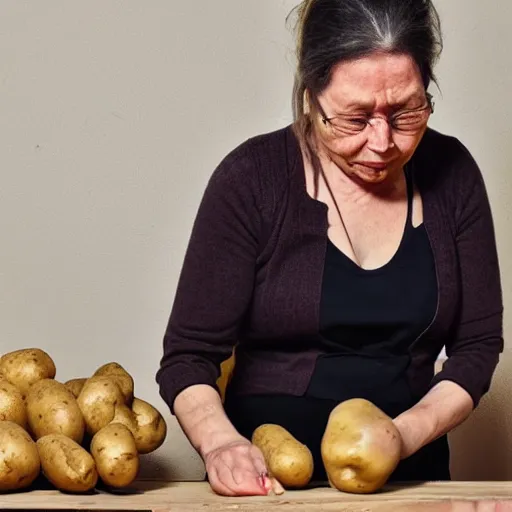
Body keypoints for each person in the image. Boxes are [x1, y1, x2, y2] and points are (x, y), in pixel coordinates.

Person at [156, 0, 503, 497]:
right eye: (354, 118)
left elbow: (477, 348)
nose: (382, 142)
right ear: (311, 97)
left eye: (406, 111)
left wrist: (398, 439)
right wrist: (219, 446)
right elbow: (188, 358)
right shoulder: (251, 179)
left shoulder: (453, 174)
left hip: (411, 485)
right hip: (268, 486)